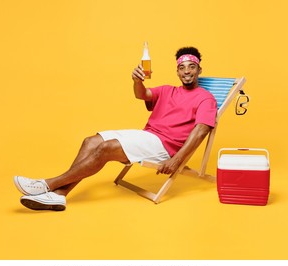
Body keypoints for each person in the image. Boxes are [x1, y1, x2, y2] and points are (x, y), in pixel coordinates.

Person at [14, 46, 217, 211]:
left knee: (106, 148)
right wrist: (137, 80)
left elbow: (201, 131)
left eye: (192, 67)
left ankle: (47, 184)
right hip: (147, 136)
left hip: (165, 147)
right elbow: (141, 94)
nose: (187, 71)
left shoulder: (205, 98)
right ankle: (59, 196)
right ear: (177, 71)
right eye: (183, 68)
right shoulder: (167, 90)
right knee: (90, 141)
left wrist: (176, 160)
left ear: (199, 70)